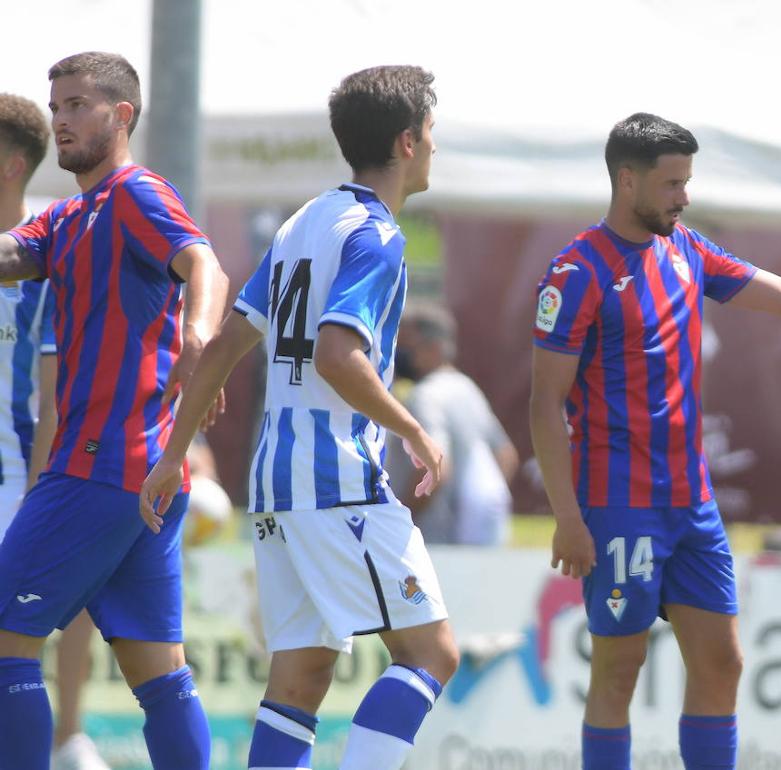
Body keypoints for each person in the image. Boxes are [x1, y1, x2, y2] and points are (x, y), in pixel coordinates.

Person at [140, 64, 458, 770]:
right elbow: (338, 356)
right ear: (407, 142)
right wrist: (412, 429)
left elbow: (225, 344)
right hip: (335, 476)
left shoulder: (302, 221)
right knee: (431, 654)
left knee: (300, 678)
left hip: (274, 481)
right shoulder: (377, 235)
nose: (436, 146)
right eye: (432, 131)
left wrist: (173, 453)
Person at [529, 112, 781, 770]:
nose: (684, 196)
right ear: (627, 180)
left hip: (693, 505)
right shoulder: (576, 271)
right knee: (618, 671)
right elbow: (544, 404)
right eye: (672, 183)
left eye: (687, 181)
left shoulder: (686, 248)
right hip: (618, 506)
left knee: (723, 661)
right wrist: (568, 518)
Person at [0, 52, 229, 770]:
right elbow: (8, 255)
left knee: (5, 641)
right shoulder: (69, 215)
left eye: (77, 105)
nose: (61, 121)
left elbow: (205, 263)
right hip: (146, 476)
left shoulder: (135, 193)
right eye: (56, 108)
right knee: (159, 675)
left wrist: (199, 335)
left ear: (121, 115)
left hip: (99, 464)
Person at [0, 91, 112, 770]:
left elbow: (54, 400)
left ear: (12, 164)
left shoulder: (47, 260)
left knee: (62, 611)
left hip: (17, 476)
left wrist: (40, 497)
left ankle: (69, 736)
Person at [387, 302, 518, 545]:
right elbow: (506, 454)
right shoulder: (466, 387)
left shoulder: (425, 396)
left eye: (404, 346)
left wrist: (398, 521)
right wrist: (476, 518)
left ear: (434, 348)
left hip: (433, 539)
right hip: (465, 542)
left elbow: (435, 465)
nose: (397, 354)